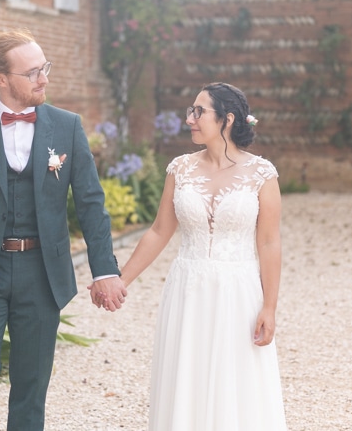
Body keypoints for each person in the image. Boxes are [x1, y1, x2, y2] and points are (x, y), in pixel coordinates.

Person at [0, 29, 128, 431]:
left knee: (31, 386)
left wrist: (105, 270)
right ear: (1, 78)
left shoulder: (67, 126)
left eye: (45, 68)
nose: (44, 79)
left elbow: (91, 203)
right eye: (33, 72)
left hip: (42, 272)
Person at [119, 82, 287, 430]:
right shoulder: (179, 169)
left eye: (198, 112)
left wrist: (269, 306)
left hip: (238, 292)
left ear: (226, 119)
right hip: (187, 289)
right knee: (187, 376)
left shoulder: (262, 174)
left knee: (236, 380)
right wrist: (122, 280)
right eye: (190, 111)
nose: (190, 119)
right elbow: (159, 231)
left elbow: (269, 242)